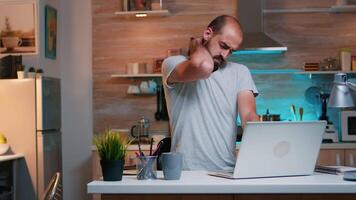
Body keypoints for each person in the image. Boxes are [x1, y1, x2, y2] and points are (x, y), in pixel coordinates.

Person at [162, 15, 259, 171]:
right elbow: (204, 67)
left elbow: (249, 116)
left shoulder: (241, 72)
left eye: (231, 51)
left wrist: (264, 143)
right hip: (185, 173)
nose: (225, 55)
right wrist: (196, 45)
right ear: (207, 34)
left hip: (226, 173)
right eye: (223, 45)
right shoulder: (173, 64)